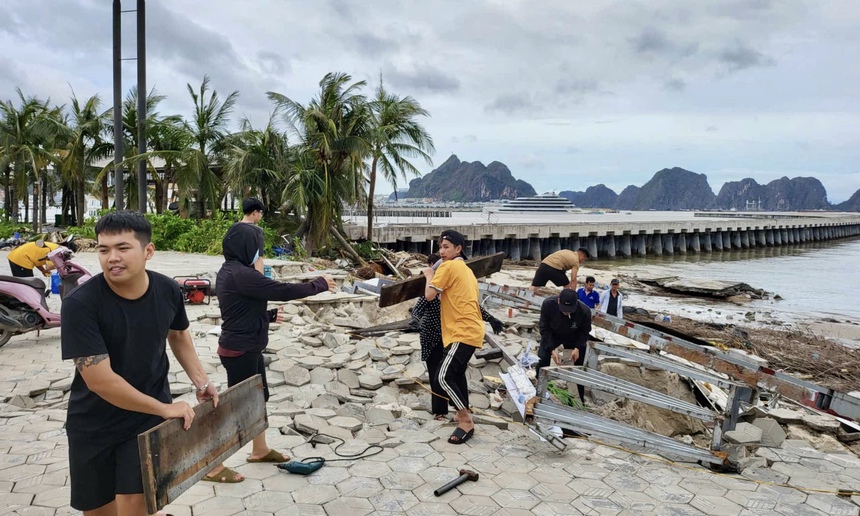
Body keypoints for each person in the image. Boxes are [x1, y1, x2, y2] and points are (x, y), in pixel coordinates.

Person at [61, 211, 218, 515]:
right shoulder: (80, 304)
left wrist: (202, 381)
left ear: (148, 251)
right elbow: (100, 381)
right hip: (94, 425)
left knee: (136, 506)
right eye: (103, 249)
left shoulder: (168, 289)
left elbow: (178, 335)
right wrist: (166, 408)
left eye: (122, 248)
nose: (111, 258)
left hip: (146, 422)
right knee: (100, 511)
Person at [205, 222, 336, 483]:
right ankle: (212, 465)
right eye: (257, 247)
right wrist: (318, 284)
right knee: (237, 409)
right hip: (239, 350)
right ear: (246, 247)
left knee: (258, 398)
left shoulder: (233, 271)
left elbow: (239, 308)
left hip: (248, 346)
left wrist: (268, 316)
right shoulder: (242, 274)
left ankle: (260, 450)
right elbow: (281, 290)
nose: (259, 252)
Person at [412, 253, 504, 421]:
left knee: (457, 371)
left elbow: (473, 307)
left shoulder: (455, 286)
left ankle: (462, 408)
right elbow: (420, 306)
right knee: (437, 373)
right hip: (432, 336)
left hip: (453, 334)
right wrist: (415, 320)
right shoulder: (433, 287)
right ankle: (440, 411)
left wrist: (491, 319)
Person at [423, 230, 484, 444]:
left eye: (446, 246)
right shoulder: (466, 270)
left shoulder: (448, 266)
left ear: (458, 249)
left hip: (462, 331)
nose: (442, 251)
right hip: (471, 329)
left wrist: (429, 275)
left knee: (442, 376)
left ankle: (466, 421)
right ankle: (460, 413)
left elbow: (429, 295)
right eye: (440, 246)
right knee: (456, 374)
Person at [536, 288, 592, 402]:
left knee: (578, 365)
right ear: (558, 301)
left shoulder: (584, 311)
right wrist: (552, 350)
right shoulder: (548, 304)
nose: (566, 312)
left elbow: (585, 333)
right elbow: (544, 328)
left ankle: (578, 398)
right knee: (542, 359)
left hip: (573, 336)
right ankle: (540, 390)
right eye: (564, 310)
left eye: (569, 310)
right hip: (553, 334)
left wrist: (577, 348)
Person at [8, 240, 78, 277]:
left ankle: (19, 301)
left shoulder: (54, 247)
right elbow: (49, 266)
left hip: (14, 256)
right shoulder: (57, 251)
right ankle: (26, 302)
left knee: (20, 282)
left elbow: (36, 259)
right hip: (20, 258)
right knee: (27, 283)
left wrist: (43, 270)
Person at [238, 198, 266, 274]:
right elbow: (258, 259)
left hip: (228, 274)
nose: (260, 215)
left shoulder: (232, 229)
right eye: (260, 212)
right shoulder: (256, 231)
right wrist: (261, 281)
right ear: (255, 212)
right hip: (247, 275)